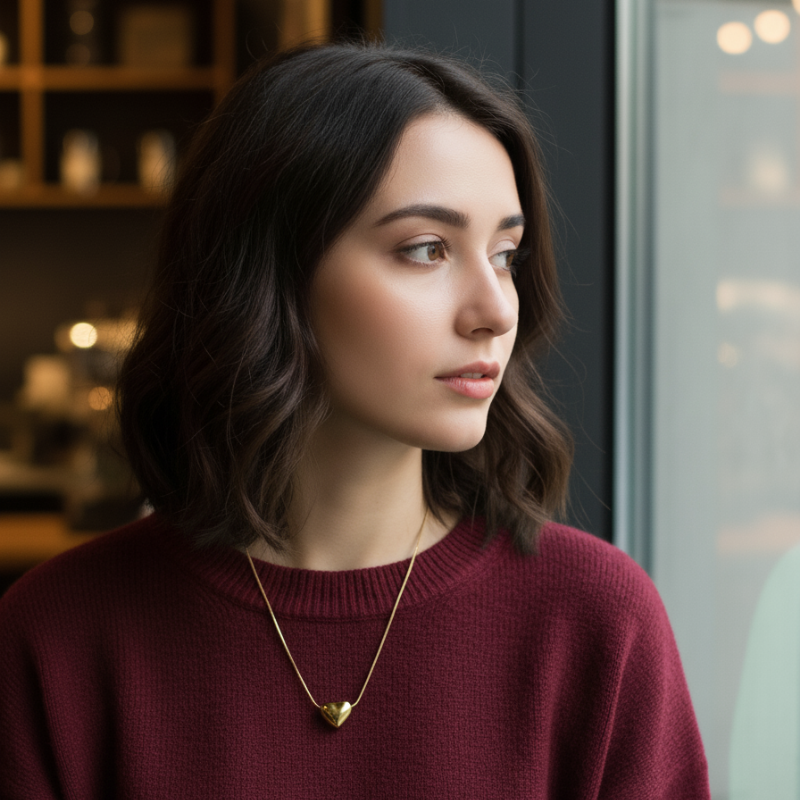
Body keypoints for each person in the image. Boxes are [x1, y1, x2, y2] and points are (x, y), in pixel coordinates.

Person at [0, 42, 710, 798]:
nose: (496, 310)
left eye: (506, 254)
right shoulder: (58, 635)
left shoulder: (595, 621)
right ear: (269, 273)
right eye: (427, 249)